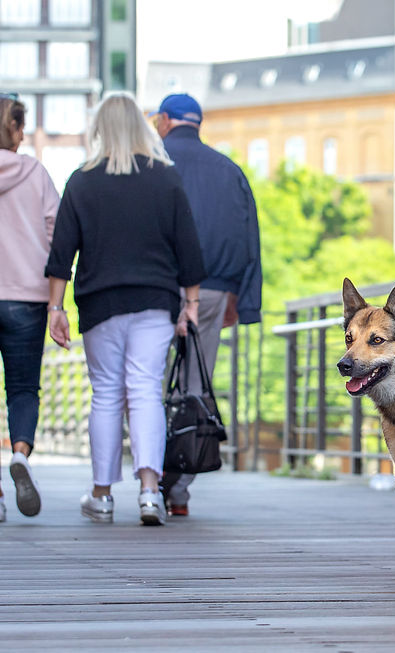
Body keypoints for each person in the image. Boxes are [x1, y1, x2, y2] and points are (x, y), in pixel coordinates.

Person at [45, 92, 207, 527]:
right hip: (155, 301)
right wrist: (190, 302)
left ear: (100, 129)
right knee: (144, 389)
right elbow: (188, 247)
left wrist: (54, 308)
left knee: (107, 395)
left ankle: (101, 495)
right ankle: (151, 492)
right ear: (140, 126)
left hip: (100, 302)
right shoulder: (165, 179)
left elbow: (62, 251)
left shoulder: (81, 180)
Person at [151, 93, 263, 516]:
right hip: (215, 292)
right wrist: (241, 298)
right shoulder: (228, 170)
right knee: (195, 386)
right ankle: (178, 489)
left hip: (157, 287)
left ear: (164, 121)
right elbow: (247, 238)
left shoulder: (151, 163)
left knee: (150, 385)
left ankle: (150, 478)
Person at [0, 92, 59, 522]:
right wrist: (58, 301)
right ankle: (20, 452)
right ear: (17, 130)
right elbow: (58, 235)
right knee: (22, 389)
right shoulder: (36, 173)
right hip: (26, 297)